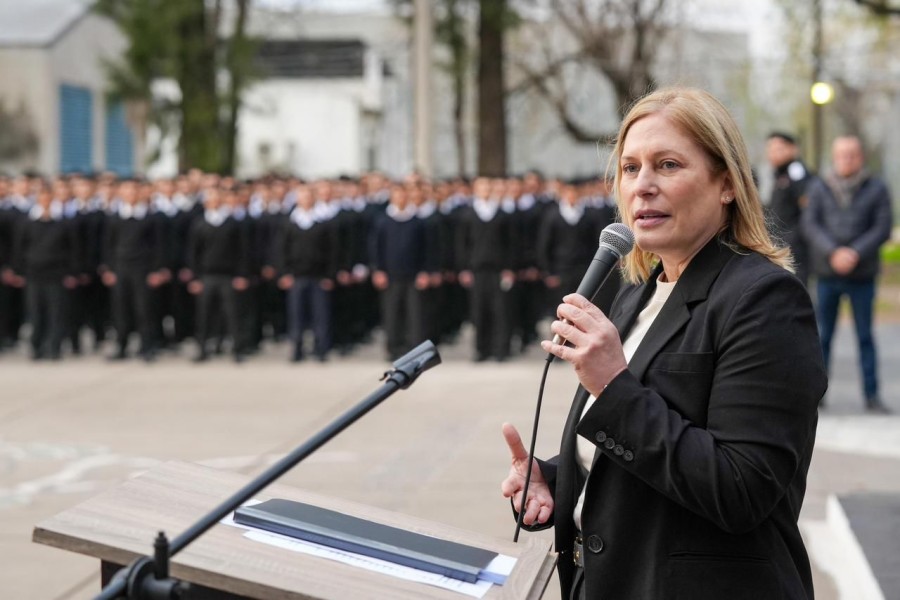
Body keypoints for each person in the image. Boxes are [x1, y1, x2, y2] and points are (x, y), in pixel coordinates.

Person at [500, 87, 827, 599]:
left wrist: (612, 383)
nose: (642, 187)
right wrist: (558, 477)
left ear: (726, 184)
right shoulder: (638, 293)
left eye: (668, 165)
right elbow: (634, 443)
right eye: (630, 168)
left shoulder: (764, 300)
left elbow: (742, 489)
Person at [801, 135, 893, 413]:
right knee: (822, 335)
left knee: (865, 336)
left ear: (860, 157)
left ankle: (872, 395)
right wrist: (833, 252)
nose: (846, 159)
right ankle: (817, 396)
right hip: (827, 273)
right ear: (834, 156)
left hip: (862, 275)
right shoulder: (818, 187)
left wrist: (854, 253)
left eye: (852, 154)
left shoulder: (876, 188)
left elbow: (882, 226)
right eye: (841, 154)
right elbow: (810, 224)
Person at [766, 131, 813, 287]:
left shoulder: (795, 169)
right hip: (781, 240)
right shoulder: (779, 173)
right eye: (771, 150)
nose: (773, 154)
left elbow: (807, 203)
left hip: (795, 244)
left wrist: (797, 236)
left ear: (793, 149)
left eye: (779, 149)